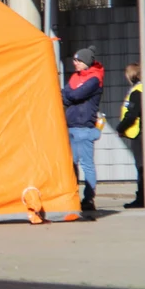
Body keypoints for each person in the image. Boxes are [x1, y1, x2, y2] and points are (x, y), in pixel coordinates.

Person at [62, 47, 104, 212]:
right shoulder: (75, 77)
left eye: (79, 60)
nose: (75, 63)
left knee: (86, 164)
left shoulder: (94, 79)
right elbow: (64, 95)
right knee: (71, 164)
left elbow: (74, 95)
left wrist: (69, 95)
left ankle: (89, 198)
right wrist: (69, 95)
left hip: (84, 127)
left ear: (86, 62)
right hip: (71, 126)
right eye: (74, 60)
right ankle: (73, 197)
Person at [117, 62, 144, 209]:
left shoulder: (136, 92)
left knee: (141, 167)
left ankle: (141, 198)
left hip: (138, 135)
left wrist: (120, 128)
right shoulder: (144, 89)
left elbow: (131, 115)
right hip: (143, 133)